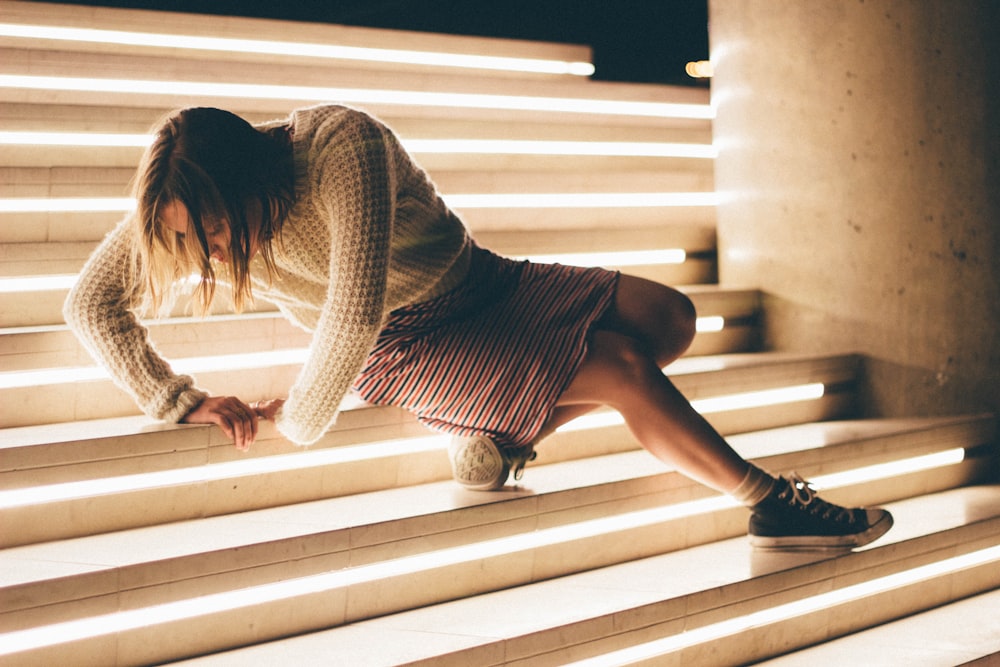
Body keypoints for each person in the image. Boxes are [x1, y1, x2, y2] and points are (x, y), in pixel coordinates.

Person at [64, 104, 893, 551]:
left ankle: (501, 441)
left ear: (247, 178)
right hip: (405, 342)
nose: (201, 251)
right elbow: (88, 302)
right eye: (181, 237)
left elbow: (349, 300)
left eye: (207, 227)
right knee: (625, 369)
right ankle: (769, 501)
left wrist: (302, 415)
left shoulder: (335, 146)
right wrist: (176, 398)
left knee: (672, 318)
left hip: (481, 281)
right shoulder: (183, 214)